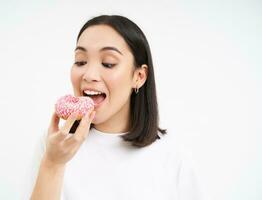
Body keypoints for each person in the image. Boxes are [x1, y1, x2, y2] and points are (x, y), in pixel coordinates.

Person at [30, 15, 204, 200]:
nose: (89, 75)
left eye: (108, 63)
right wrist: (53, 163)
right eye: (80, 61)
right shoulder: (55, 144)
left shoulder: (172, 156)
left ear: (139, 76)